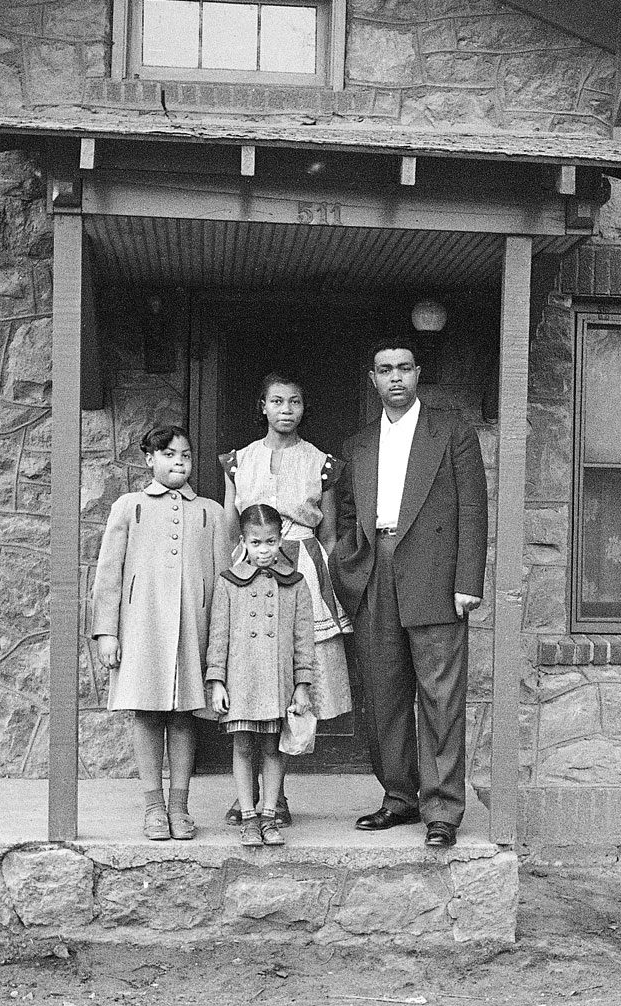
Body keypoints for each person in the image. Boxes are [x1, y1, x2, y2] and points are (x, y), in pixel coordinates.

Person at [330, 342, 488, 848]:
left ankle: (441, 808)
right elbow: (351, 513)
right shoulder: (358, 443)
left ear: (418, 373)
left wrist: (468, 581)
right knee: (383, 693)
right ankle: (399, 797)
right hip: (376, 570)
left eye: (403, 368)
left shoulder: (451, 430)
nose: (394, 378)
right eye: (384, 370)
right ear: (371, 379)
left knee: (440, 694)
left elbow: (473, 509)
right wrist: (348, 568)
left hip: (437, 576)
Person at [219, 371, 352, 824]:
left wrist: (328, 589)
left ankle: (277, 796)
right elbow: (229, 528)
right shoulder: (239, 461)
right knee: (250, 675)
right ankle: (247, 795)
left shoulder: (321, 463)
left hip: (301, 571)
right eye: (277, 401)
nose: (286, 410)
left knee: (291, 680)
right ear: (263, 406)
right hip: (248, 571)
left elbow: (330, 535)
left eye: (294, 401)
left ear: (303, 407)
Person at [93, 424, 230, 841]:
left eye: (185, 455)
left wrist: (221, 641)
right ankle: (153, 806)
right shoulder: (129, 506)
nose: (178, 462)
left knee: (187, 712)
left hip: (194, 626)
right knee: (148, 711)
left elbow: (224, 581)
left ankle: (179, 806)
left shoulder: (210, 511)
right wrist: (106, 632)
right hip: (141, 628)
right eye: (169, 455)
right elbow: (108, 574)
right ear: (150, 459)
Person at [206, 504, 314, 847]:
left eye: (270, 541)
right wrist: (217, 681)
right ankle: (249, 817)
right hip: (241, 682)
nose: (264, 550)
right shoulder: (228, 583)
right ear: (244, 542)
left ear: (280, 539)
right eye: (255, 543)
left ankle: (270, 815)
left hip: (276, 682)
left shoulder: (295, 584)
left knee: (272, 747)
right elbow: (218, 635)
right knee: (242, 746)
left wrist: (301, 685)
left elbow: (303, 639)